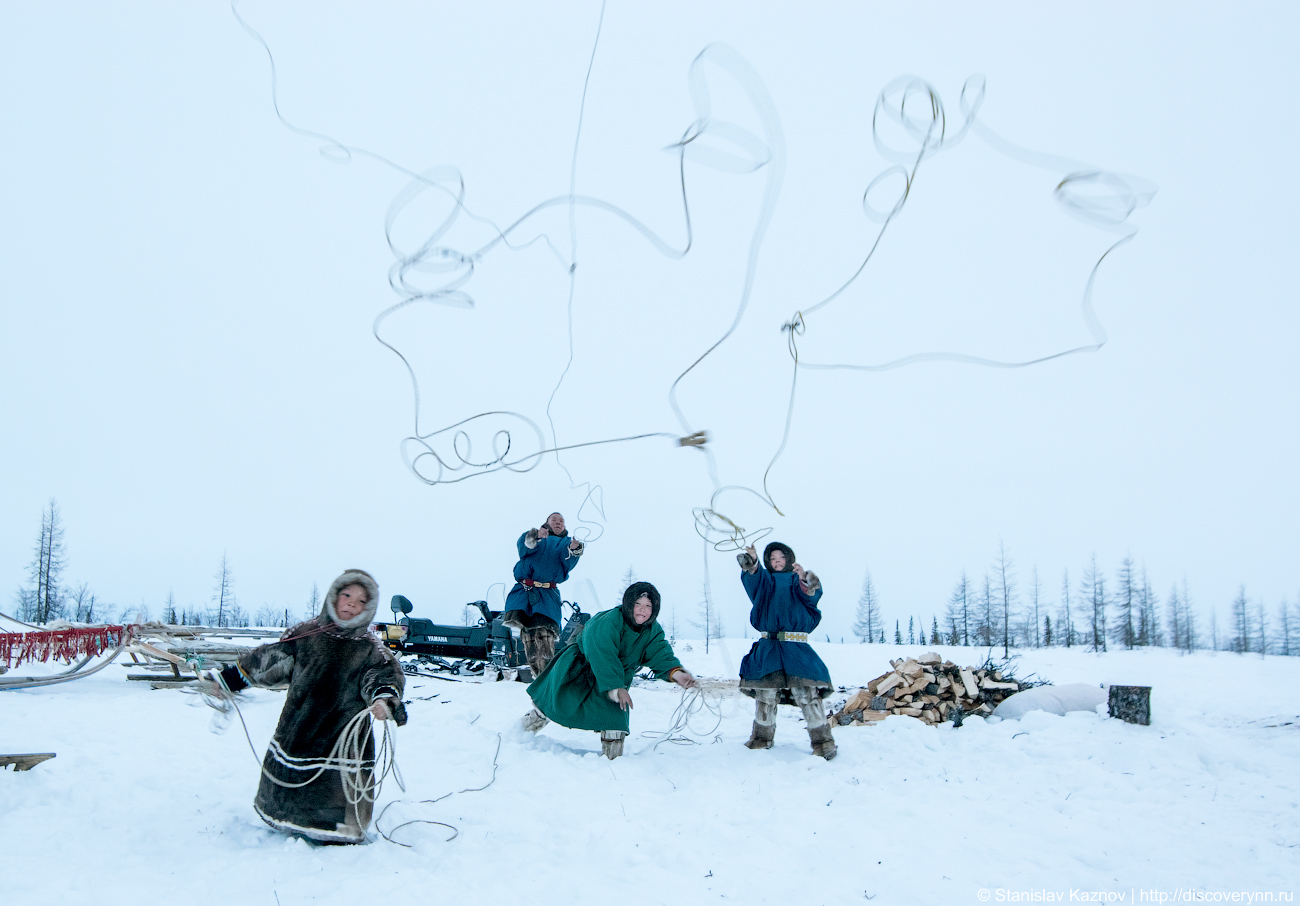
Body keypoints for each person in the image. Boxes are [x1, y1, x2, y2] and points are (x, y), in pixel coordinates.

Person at [204, 569, 407, 843]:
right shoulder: (306, 636)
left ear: (368, 609)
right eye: (347, 595)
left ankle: (336, 832)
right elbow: (269, 662)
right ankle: (285, 818)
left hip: (343, 742)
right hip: (299, 729)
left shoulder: (371, 650)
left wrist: (384, 700)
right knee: (291, 788)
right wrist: (230, 679)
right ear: (333, 597)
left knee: (335, 799)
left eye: (361, 601)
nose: (351, 604)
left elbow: (383, 677)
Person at [520, 581, 697, 759]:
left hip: (613, 679)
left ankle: (613, 765)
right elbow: (601, 653)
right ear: (628, 604)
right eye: (638, 604)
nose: (642, 610)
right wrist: (614, 686)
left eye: (648, 606)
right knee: (553, 704)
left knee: (615, 718)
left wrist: (676, 673)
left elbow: (660, 653)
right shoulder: (609, 621)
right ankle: (518, 735)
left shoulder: (652, 631)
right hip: (579, 670)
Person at [736, 541, 836, 760]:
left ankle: (823, 742)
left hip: (796, 648)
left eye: (781, 557)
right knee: (765, 694)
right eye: (772, 559)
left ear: (789, 559)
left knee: (807, 692)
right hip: (769, 647)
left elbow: (811, 594)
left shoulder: (795, 581)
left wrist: (804, 579)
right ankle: (761, 738)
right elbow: (753, 577)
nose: (777, 561)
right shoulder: (765, 581)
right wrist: (752, 560)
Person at [502, 512, 584, 676]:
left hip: (547, 596)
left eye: (561, 521)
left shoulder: (565, 543)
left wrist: (575, 549)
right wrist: (535, 536)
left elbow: (568, 561)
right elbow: (524, 546)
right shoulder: (537, 538)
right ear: (546, 523)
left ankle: (546, 676)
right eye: (554, 520)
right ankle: (539, 676)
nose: (558, 523)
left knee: (544, 635)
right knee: (529, 637)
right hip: (525, 594)